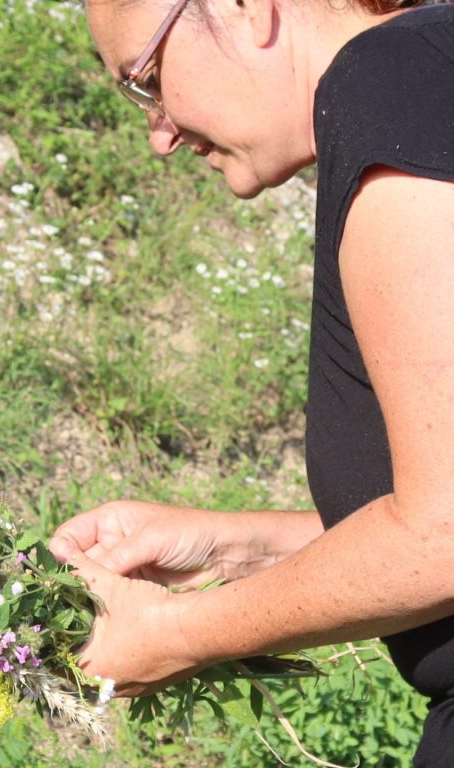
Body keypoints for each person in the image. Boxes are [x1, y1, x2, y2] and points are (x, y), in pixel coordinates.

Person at [47, 0, 454, 764]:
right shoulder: (433, 72)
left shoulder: (389, 81)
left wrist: (180, 634)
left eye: (147, 80)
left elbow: (447, 528)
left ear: (245, 9)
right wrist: (238, 550)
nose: (160, 132)